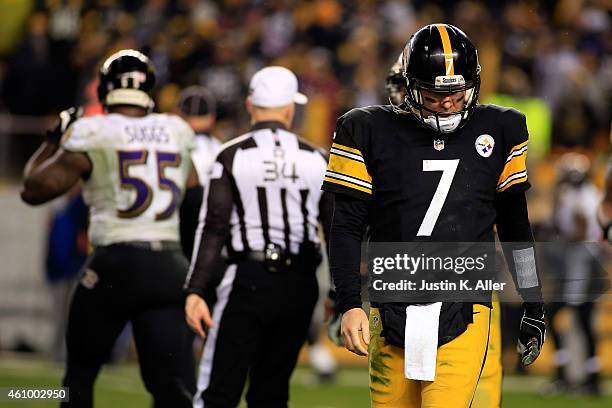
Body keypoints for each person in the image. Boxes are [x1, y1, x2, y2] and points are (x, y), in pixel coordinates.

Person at [323, 24, 546, 407]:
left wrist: (534, 303)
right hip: (391, 298)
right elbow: (345, 227)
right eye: (434, 94)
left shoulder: (501, 128)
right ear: (410, 87)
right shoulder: (365, 129)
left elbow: (515, 226)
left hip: (464, 302)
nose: (447, 103)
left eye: (457, 93)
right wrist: (347, 302)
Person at [21, 49, 197, 407]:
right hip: (168, 266)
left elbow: (34, 190)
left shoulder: (93, 130)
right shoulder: (176, 130)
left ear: (105, 90)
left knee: (78, 379)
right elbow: (194, 194)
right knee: (170, 389)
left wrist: (52, 142)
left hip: (115, 263)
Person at [184, 66, 332, 408]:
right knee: (271, 393)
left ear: (251, 104)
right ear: (290, 109)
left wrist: (196, 288)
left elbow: (214, 226)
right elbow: (335, 228)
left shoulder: (232, 155)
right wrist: (341, 293)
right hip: (300, 284)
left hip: (248, 280)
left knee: (218, 392)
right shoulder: (316, 158)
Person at [386, 55, 503, 408]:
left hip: (466, 283)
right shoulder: (384, 137)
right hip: (405, 286)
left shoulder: (482, 131)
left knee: (479, 391)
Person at [176, 85, 222, 259]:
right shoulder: (222, 150)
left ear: (180, 115)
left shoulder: (172, 146)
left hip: (179, 226)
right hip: (213, 229)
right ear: (211, 118)